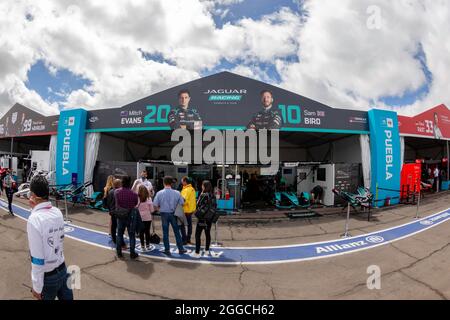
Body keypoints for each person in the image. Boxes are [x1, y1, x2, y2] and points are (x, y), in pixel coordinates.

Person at [26, 175, 73, 300]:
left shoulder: (34, 219)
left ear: (34, 196)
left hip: (48, 278)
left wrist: (36, 287)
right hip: (63, 270)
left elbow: (37, 259)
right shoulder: (57, 212)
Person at [152, 176, 187, 256]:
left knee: (165, 233)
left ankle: (167, 250)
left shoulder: (159, 193)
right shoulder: (177, 192)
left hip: (164, 214)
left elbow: (155, 205)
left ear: (164, 183)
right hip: (174, 214)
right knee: (177, 232)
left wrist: (159, 209)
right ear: (171, 183)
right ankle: (181, 249)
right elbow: (182, 203)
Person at [115, 176, 139, 259]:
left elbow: (116, 202)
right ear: (130, 183)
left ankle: (119, 252)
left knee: (120, 234)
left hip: (120, 215)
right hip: (130, 215)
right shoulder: (134, 194)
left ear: (122, 182)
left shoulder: (117, 192)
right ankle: (132, 253)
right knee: (132, 235)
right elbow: (135, 203)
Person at [192, 180, 216, 258]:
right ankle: (206, 250)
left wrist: (200, 196)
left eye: (202, 185)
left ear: (204, 186)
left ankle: (197, 252)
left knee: (197, 235)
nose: (201, 186)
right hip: (209, 217)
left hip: (202, 218)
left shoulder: (203, 195)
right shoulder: (212, 195)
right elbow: (215, 205)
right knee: (207, 233)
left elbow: (198, 205)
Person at [137, 185, 154, 251]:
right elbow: (152, 210)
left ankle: (142, 246)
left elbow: (135, 207)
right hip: (148, 217)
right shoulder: (149, 199)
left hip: (140, 217)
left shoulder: (137, 198)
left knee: (141, 232)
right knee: (147, 231)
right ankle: (148, 245)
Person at [180, 176, 196, 245]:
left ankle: (184, 240)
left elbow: (184, 201)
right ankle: (188, 239)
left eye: (182, 181)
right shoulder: (192, 189)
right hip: (190, 210)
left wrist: (178, 203)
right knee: (189, 225)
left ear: (185, 182)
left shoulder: (186, 190)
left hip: (185, 210)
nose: (181, 182)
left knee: (181, 225)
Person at [105, 179, 122, 245]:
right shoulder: (119, 191)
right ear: (119, 184)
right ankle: (119, 240)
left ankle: (114, 238)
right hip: (118, 212)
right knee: (119, 226)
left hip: (112, 211)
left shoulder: (111, 191)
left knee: (113, 226)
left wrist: (110, 210)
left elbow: (108, 202)